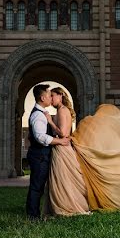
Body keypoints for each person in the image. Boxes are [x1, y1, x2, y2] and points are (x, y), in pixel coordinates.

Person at [25, 83, 70, 221]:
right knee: (37, 186)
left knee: (39, 185)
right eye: (49, 95)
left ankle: (36, 212)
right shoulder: (38, 115)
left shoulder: (42, 113)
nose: (51, 98)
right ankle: (33, 216)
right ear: (43, 98)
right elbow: (40, 137)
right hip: (39, 155)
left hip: (41, 155)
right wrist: (60, 141)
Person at [43, 86, 90, 216]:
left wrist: (50, 122)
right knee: (62, 180)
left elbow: (63, 133)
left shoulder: (62, 111)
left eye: (53, 96)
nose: (51, 99)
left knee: (63, 180)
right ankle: (62, 205)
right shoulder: (62, 111)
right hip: (61, 148)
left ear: (60, 96)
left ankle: (66, 206)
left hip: (62, 149)